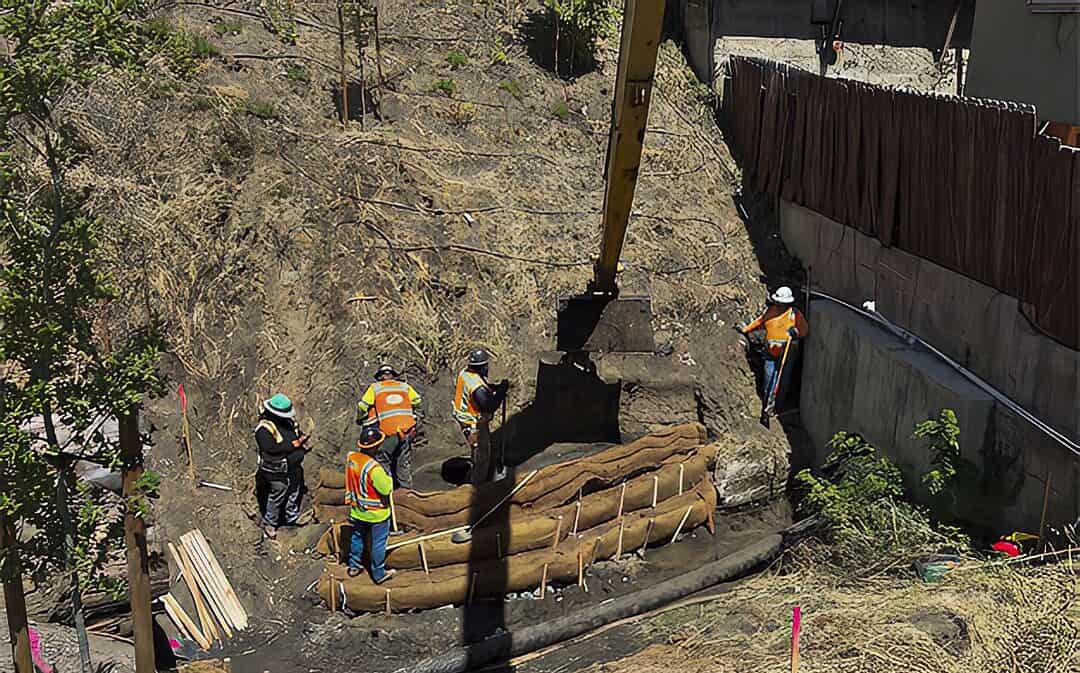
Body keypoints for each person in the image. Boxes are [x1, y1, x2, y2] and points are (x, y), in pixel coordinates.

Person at [737, 286, 808, 427]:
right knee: (769, 379)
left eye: (781, 303)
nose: (779, 305)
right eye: (778, 302)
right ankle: (767, 404)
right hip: (770, 353)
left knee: (782, 380)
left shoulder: (794, 315)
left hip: (787, 353)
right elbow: (758, 322)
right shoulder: (770, 312)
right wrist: (743, 329)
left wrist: (796, 332)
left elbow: (805, 330)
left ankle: (778, 406)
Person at [356, 364, 424, 489]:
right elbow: (417, 401)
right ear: (393, 376)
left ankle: (387, 492)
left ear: (380, 377)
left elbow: (362, 406)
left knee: (382, 459)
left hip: (389, 432)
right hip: (407, 430)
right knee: (403, 462)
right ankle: (407, 494)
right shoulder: (404, 386)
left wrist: (359, 418)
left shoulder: (375, 388)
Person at [254, 393, 310, 539]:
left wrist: (301, 440)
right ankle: (270, 523)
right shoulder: (264, 428)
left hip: (292, 466)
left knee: (294, 489)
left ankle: (292, 517)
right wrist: (293, 445)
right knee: (277, 494)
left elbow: (295, 434)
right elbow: (269, 448)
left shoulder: (287, 422)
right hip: (275, 470)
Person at [344, 426, 397, 582]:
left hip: (357, 510)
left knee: (357, 537)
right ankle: (379, 574)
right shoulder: (374, 469)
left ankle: (354, 566)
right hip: (376, 513)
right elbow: (386, 489)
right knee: (378, 543)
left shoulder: (352, 459)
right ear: (376, 447)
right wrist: (389, 478)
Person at [452, 348, 509, 482]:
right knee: (483, 456)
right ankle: (477, 487)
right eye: (486, 366)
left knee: (476, 452)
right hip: (474, 423)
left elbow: (480, 390)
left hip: (464, 419)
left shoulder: (466, 373)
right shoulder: (477, 387)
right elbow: (490, 405)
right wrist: (501, 391)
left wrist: (493, 388)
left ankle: (472, 476)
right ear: (482, 367)